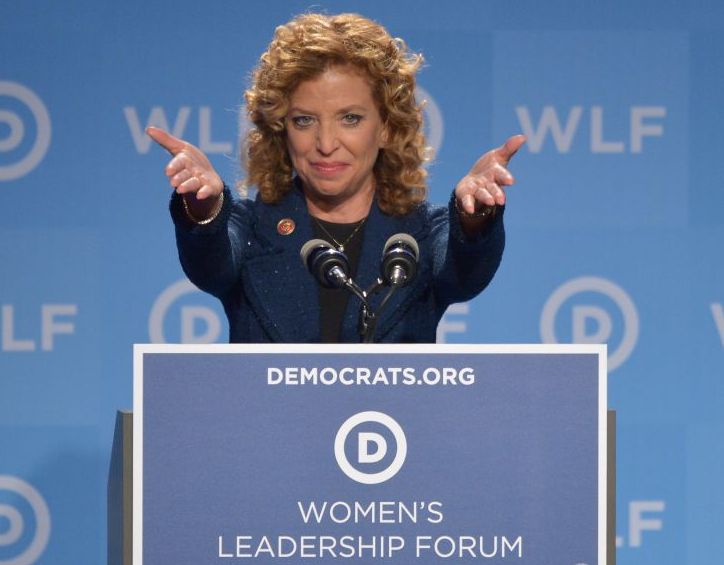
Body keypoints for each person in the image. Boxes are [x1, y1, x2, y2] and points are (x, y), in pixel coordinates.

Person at [147, 13, 525, 343]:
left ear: (387, 128)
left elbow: (464, 273)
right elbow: (210, 264)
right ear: (281, 129)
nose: (326, 144)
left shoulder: (419, 234)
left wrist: (475, 218)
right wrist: (204, 209)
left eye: (350, 119)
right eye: (304, 120)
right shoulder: (252, 229)